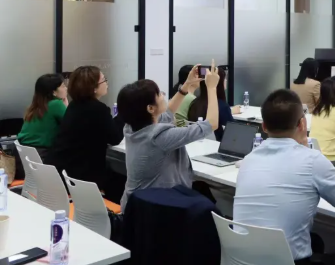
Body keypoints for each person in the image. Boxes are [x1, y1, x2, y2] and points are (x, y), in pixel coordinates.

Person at [234, 89, 335, 265]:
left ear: (264, 127)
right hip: (286, 261)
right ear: (302, 124)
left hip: (242, 259)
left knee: (315, 241)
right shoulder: (312, 161)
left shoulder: (249, 160)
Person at [118, 63, 221, 211]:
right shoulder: (160, 137)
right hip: (155, 209)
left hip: (135, 206)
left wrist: (186, 86)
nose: (164, 95)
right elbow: (211, 124)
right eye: (159, 94)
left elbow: (167, 114)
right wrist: (211, 88)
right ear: (150, 108)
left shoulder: (131, 127)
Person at [46, 66, 125, 203]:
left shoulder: (74, 105)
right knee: (121, 179)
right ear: (93, 88)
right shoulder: (98, 109)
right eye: (104, 80)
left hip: (61, 168)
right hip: (80, 174)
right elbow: (115, 138)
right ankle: (114, 213)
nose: (107, 83)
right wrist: (124, 114)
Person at [18, 74, 68, 160]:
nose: (66, 88)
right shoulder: (56, 104)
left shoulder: (35, 106)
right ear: (54, 92)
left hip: (23, 154)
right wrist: (66, 107)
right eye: (63, 86)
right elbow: (72, 125)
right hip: (41, 155)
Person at [188, 68, 240, 141]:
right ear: (217, 82)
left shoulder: (194, 103)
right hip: (219, 143)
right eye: (224, 78)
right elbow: (233, 130)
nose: (226, 80)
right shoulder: (222, 106)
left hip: (197, 143)